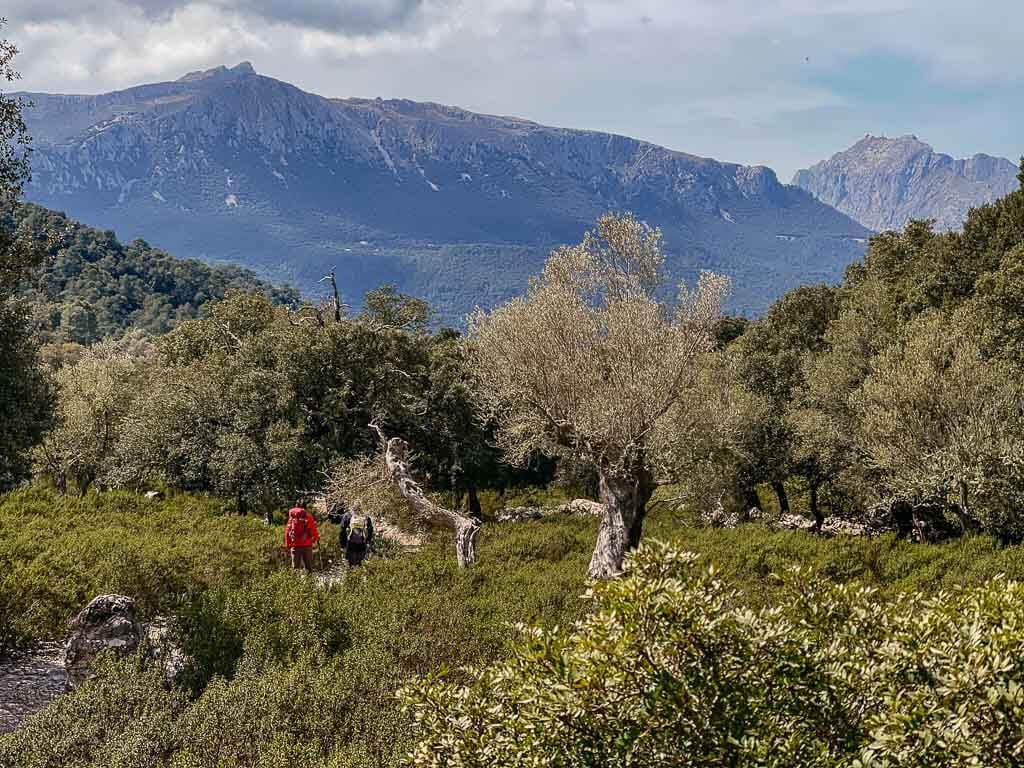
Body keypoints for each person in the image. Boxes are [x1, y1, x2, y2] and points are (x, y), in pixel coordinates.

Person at [284, 502, 320, 571]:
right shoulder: (308, 516)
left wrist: (287, 544)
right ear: (304, 508)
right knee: (308, 567)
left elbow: (287, 530)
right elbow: (313, 529)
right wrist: (317, 538)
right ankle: (309, 581)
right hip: (307, 545)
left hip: (295, 545)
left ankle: (295, 581)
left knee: (295, 568)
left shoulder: (292, 518)